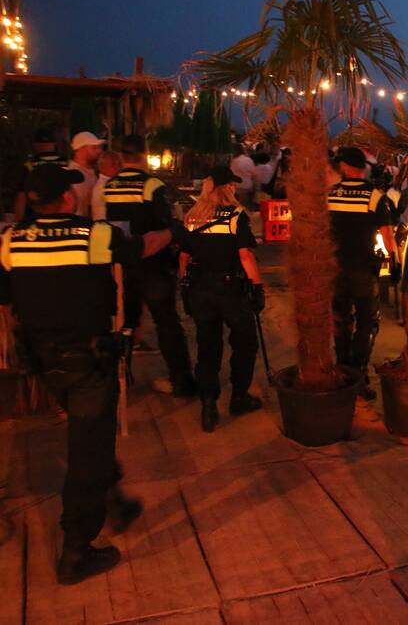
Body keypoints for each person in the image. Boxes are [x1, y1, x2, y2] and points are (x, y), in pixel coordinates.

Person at [0, 164, 171, 584]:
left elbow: (6, 295)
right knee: (87, 452)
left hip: (43, 363)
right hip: (88, 360)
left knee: (88, 435)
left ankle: (113, 499)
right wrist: (174, 232)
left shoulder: (10, 241)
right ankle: (77, 550)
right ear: (65, 199)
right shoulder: (91, 235)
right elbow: (141, 248)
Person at [101, 134, 195, 396]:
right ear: (143, 154)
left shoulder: (110, 185)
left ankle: (120, 380)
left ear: (121, 155)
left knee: (125, 323)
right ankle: (182, 382)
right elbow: (166, 223)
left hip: (124, 267)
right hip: (153, 265)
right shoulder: (151, 185)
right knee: (167, 322)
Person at [179, 166, 264, 432]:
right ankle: (239, 397)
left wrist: (185, 286)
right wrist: (257, 288)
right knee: (244, 342)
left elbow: (183, 258)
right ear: (226, 188)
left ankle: (208, 404)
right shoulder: (236, 216)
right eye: (232, 185)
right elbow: (246, 256)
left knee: (207, 346)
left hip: (200, 290)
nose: (235, 189)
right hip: (231, 290)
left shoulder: (192, 217)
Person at [327, 147, 396, 394]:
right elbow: (387, 235)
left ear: (345, 167)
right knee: (367, 322)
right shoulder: (374, 196)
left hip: (335, 267)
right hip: (364, 268)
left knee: (341, 319)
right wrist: (393, 261)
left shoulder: (331, 194)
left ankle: (342, 368)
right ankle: (359, 374)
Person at [14, 129, 66, 221]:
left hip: (35, 219)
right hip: (63, 216)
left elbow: (21, 197)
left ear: (35, 145)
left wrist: (18, 221)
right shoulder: (66, 163)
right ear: (54, 144)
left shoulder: (30, 165)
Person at [66, 132, 104, 218]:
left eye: (99, 147)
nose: (99, 151)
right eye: (94, 148)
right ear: (81, 149)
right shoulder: (74, 176)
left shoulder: (92, 172)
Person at [91, 150, 122, 221]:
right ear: (102, 167)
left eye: (119, 164)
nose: (117, 167)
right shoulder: (105, 186)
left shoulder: (107, 183)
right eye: (113, 164)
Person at [229, 144, 257, 209]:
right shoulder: (249, 160)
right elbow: (254, 174)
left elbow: (231, 174)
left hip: (237, 187)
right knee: (246, 206)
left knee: (239, 206)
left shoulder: (234, 161)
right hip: (248, 185)